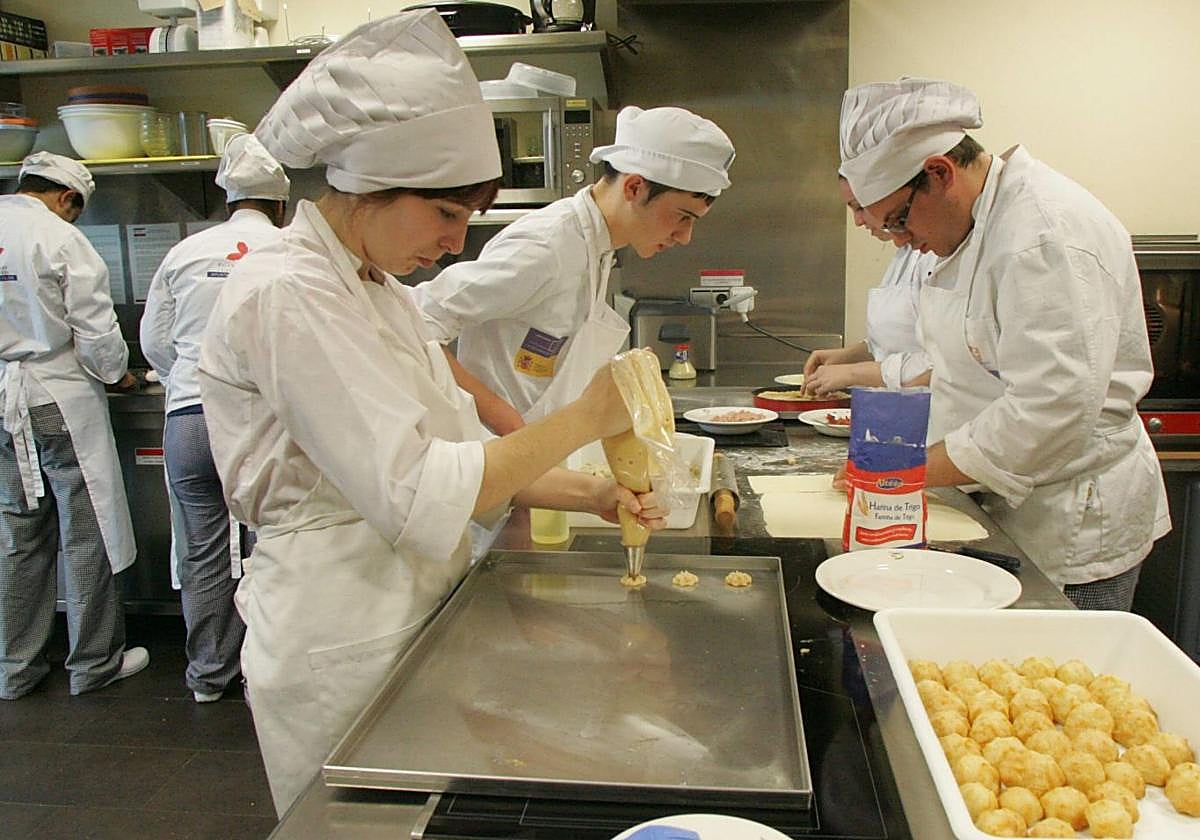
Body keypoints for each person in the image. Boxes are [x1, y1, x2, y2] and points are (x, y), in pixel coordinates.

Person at [196, 10, 665, 815]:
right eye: (445, 214)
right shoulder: (287, 293)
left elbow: (465, 453)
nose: (455, 244)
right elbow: (421, 490)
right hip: (338, 622)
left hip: (409, 607)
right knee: (360, 830)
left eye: (466, 218)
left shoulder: (378, 293)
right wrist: (590, 417)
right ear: (371, 188)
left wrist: (592, 494)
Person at [836, 78, 1170, 609]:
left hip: (1067, 527)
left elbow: (1050, 409)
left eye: (898, 221)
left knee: (1048, 681)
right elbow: (961, 362)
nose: (901, 242)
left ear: (940, 172)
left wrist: (906, 472)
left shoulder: (1042, 236)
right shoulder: (976, 226)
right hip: (997, 505)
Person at [413, 105, 736, 433]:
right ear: (634, 188)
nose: (684, 237)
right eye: (683, 216)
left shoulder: (596, 248)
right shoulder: (547, 247)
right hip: (496, 455)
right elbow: (419, 321)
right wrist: (506, 421)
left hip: (541, 455)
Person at [140, 134, 290, 704]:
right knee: (270, 546)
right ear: (280, 203)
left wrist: (185, 375)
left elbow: (155, 341)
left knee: (200, 547)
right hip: (262, 423)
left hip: (190, 415)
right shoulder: (288, 250)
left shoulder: (183, 252)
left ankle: (208, 675)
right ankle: (261, 678)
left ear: (227, 199)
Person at [0, 152, 149, 699]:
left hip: (4, 402)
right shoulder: (61, 239)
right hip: (58, 398)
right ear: (67, 198)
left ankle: (16, 669)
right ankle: (93, 662)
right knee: (87, 534)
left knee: (19, 538)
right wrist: (122, 378)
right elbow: (97, 336)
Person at [803, 175, 936, 395]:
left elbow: (942, 365)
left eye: (860, 208)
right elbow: (894, 342)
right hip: (894, 405)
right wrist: (848, 356)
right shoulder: (903, 256)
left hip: (923, 407)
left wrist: (852, 373)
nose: (858, 221)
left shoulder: (934, 255)